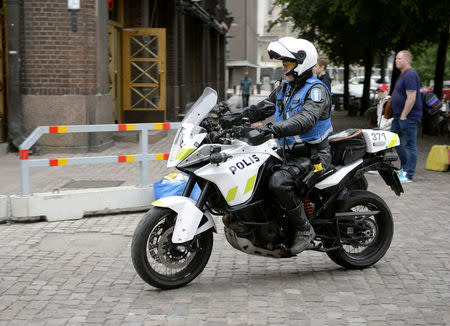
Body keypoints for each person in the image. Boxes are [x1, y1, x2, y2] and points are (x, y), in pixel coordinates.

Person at [226, 37, 333, 254]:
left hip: (315, 156)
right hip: (288, 153)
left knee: (279, 181)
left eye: (287, 64)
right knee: (258, 174)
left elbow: (306, 119)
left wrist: (271, 129)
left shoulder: (316, 90)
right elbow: (261, 109)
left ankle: (304, 229)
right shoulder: (286, 89)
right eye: (283, 64)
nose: (283, 69)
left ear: (301, 64)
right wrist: (229, 117)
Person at [390, 50, 422, 183]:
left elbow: (411, 97)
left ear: (407, 60)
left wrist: (404, 115)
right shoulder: (402, 74)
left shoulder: (410, 74)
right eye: (396, 59)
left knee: (410, 145)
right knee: (392, 140)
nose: (396, 61)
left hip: (408, 116)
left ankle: (409, 174)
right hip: (398, 116)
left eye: (399, 59)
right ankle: (405, 168)